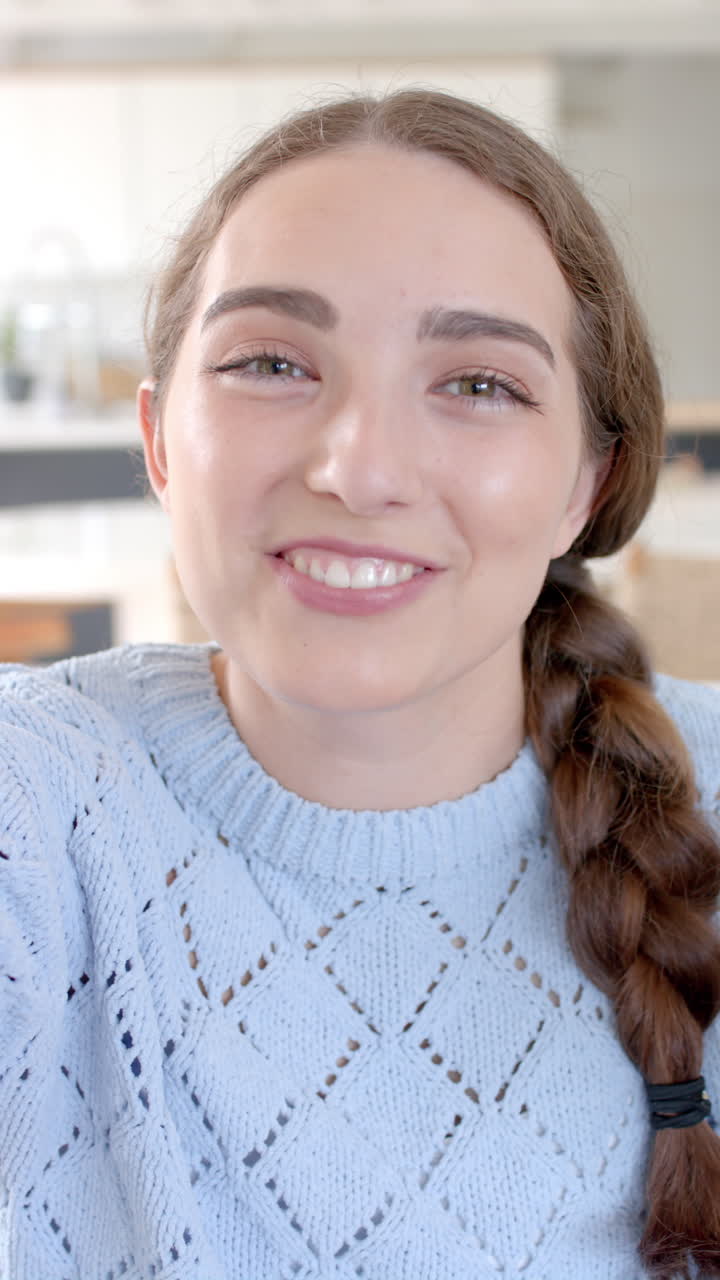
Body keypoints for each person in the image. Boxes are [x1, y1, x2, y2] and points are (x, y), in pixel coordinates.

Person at [1, 87, 719, 1280]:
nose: (361, 466)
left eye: (479, 382)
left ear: (584, 486)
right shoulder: (36, 795)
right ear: (160, 442)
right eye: (274, 362)